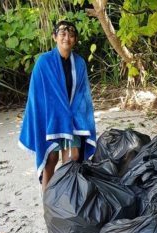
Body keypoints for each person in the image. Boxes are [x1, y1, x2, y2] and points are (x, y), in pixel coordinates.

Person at [19, 20, 96, 192]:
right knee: (50, 159)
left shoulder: (80, 63)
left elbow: (82, 95)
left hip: (72, 118)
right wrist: (55, 113)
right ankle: (48, 204)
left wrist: (74, 116)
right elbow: (37, 96)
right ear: (54, 37)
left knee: (73, 158)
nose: (66, 38)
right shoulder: (43, 62)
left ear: (75, 40)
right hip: (50, 119)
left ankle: (65, 199)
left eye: (71, 35)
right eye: (62, 34)